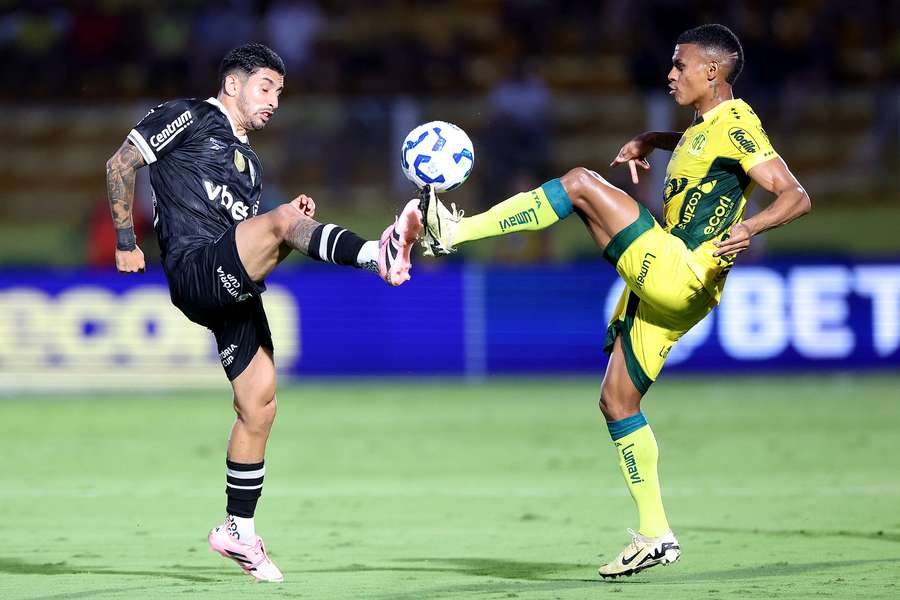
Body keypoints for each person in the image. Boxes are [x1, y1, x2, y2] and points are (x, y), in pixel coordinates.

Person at [418, 24, 811, 578]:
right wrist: (655, 139)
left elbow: (796, 194)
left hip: (682, 270)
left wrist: (753, 226)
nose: (670, 73)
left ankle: (452, 233)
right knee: (618, 402)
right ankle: (656, 534)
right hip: (681, 292)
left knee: (580, 184)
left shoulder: (739, 122)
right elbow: (706, 148)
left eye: (681, 65)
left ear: (713, 72)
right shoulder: (706, 127)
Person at [105, 43, 422, 582]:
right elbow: (119, 164)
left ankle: (237, 530)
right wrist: (124, 239)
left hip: (230, 284)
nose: (275, 101)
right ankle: (379, 254)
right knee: (281, 223)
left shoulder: (250, 166)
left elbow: (247, 241)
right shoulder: (189, 116)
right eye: (266, 88)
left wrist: (285, 225)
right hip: (193, 267)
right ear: (233, 84)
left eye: (280, 92)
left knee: (260, 404)